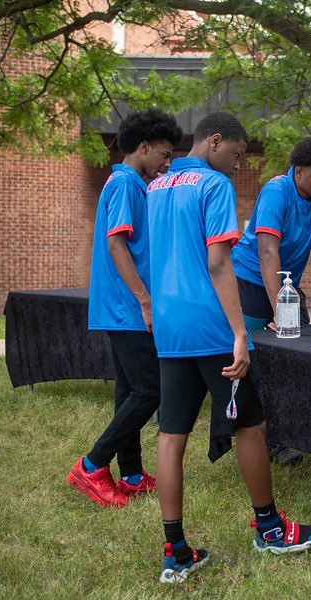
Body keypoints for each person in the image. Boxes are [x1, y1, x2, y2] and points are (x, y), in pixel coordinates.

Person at [146, 112, 311, 584]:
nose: (238, 164)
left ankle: (175, 551)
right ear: (215, 141)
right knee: (251, 426)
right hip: (211, 327)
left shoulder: (156, 185)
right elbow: (218, 263)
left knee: (171, 435)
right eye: (237, 154)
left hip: (169, 327)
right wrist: (239, 334)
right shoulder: (214, 185)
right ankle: (270, 529)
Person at [69, 108, 182, 508]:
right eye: (165, 155)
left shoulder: (130, 183)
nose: (167, 164)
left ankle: (131, 474)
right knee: (150, 390)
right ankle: (91, 465)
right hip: (127, 307)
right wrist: (145, 301)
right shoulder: (125, 184)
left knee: (130, 390)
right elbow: (117, 244)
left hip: (124, 307)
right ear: (143, 147)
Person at [232, 136, 311, 465]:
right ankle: (258, 435)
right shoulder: (276, 192)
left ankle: (286, 434)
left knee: (297, 353)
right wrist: (279, 310)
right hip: (251, 278)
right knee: (256, 360)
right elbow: (267, 252)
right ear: (298, 171)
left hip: (288, 283)